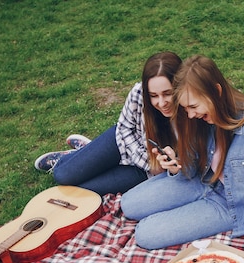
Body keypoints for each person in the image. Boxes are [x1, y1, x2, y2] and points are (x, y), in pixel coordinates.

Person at [120, 55, 244, 255]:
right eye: (186, 109)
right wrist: (176, 165)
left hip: (230, 204)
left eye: (193, 107)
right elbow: (192, 167)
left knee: (145, 233)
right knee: (128, 204)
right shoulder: (200, 118)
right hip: (202, 181)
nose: (191, 114)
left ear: (216, 92)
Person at [33, 52, 182, 196]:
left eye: (167, 93)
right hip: (123, 144)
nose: (161, 103)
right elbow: (124, 128)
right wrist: (148, 162)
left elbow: (189, 164)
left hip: (144, 172)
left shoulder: (191, 111)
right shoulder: (139, 93)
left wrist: (166, 166)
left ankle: (87, 150)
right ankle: (75, 155)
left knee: (79, 190)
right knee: (62, 175)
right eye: (154, 96)